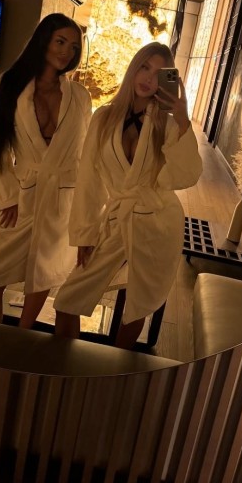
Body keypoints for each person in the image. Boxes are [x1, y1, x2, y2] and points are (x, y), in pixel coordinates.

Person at [54, 41, 203, 348]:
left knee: (139, 302)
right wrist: (85, 233)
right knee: (69, 297)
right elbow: (89, 179)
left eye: (159, 73)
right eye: (144, 67)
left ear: (167, 81)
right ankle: (65, 361)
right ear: (134, 68)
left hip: (158, 221)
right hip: (117, 217)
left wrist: (183, 120)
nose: (148, 78)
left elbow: (186, 175)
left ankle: (115, 365)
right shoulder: (103, 117)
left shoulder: (167, 125)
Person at [0, 13, 92, 328]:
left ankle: (21, 335)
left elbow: (85, 156)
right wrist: (8, 197)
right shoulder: (10, 84)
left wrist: (86, 212)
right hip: (23, 195)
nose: (66, 52)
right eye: (60, 41)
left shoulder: (80, 97)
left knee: (44, 274)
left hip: (62, 199)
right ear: (43, 40)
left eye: (73, 47)